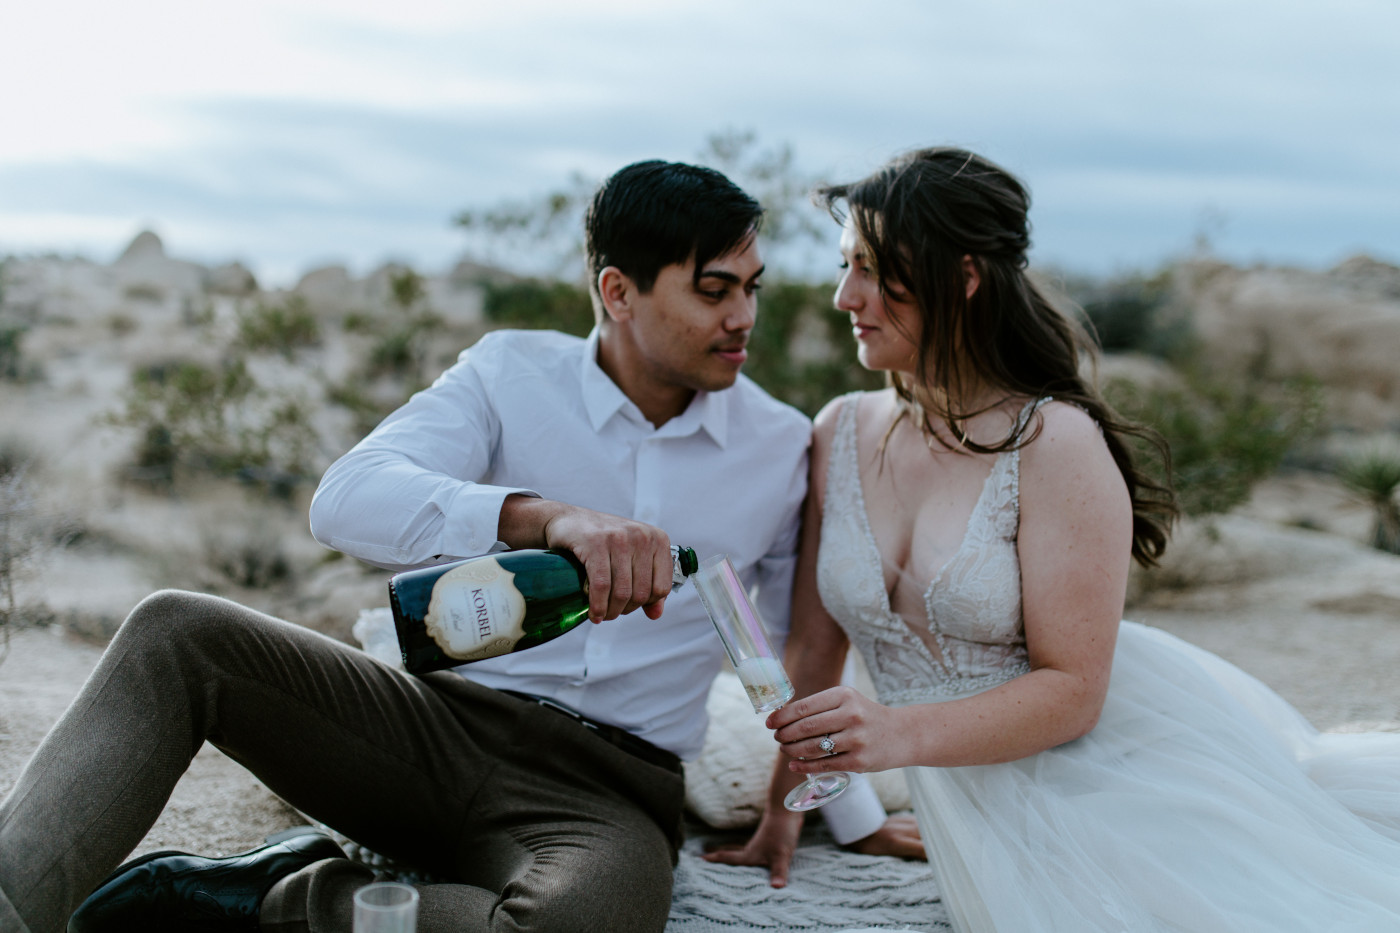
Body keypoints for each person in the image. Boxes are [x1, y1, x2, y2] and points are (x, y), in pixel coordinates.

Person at [0, 159, 919, 933]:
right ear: (618, 292)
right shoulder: (508, 373)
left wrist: (845, 809)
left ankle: (285, 897)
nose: (743, 317)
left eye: (751, 287)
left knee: (581, 923)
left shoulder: (777, 445)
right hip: (428, 722)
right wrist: (541, 517)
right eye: (713, 289)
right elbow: (345, 500)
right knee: (176, 631)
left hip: (607, 791)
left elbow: (794, 652)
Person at [704, 147, 1400, 930]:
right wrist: (784, 813)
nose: (844, 296)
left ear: (964, 276)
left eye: (871, 269)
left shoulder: (1055, 440)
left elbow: (1074, 690)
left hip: (1106, 776)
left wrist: (897, 730)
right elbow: (814, 647)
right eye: (844, 266)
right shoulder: (840, 428)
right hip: (967, 803)